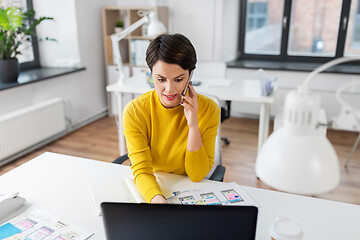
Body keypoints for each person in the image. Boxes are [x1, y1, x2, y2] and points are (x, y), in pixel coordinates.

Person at [123, 34, 220, 204]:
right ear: (151, 74)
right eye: (160, 79)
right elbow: (142, 171)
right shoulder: (135, 112)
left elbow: (197, 175)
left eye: (178, 79)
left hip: (192, 190)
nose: (169, 89)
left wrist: (193, 125)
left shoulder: (209, 109)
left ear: (190, 76)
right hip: (155, 187)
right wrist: (159, 202)